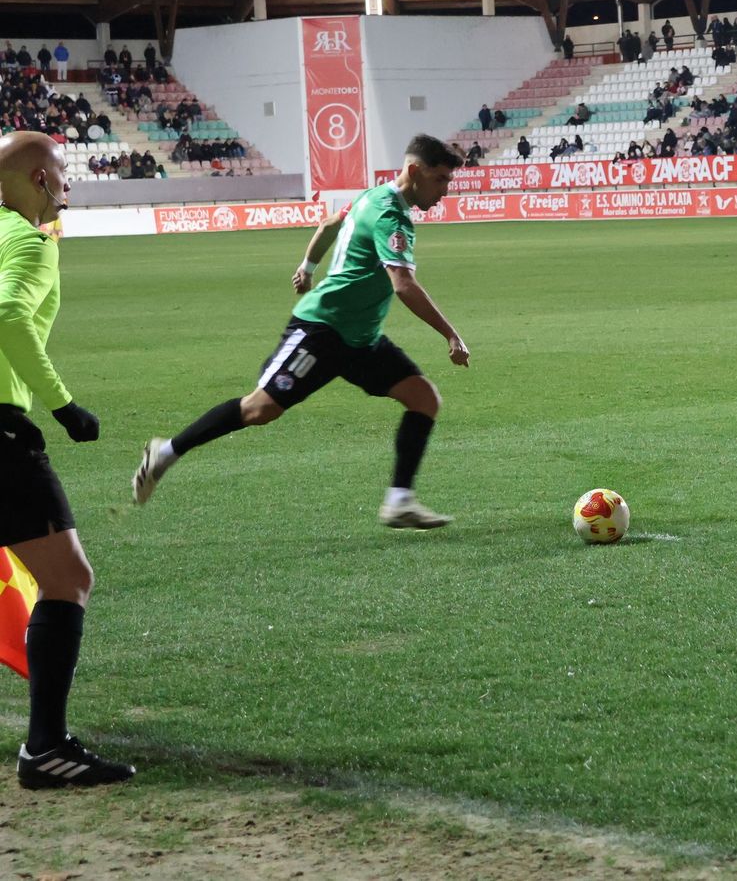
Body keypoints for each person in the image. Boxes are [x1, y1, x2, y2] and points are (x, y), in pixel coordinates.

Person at [131, 134, 471, 530]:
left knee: (423, 398)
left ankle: (399, 500)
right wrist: (450, 334)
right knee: (259, 409)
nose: (445, 190)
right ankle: (165, 452)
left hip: (360, 338)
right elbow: (403, 283)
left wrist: (307, 267)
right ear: (415, 171)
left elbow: (329, 223)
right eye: (441, 179)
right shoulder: (391, 216)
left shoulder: (371, 196)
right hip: (322, 329)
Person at [0, 131, 135, 789]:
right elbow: (7, 317)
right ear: (37, 179)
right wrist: (63, 406)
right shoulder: (27, 241)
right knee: (67, 579)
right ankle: (46, 748)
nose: (68, 186)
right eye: (60, 174)